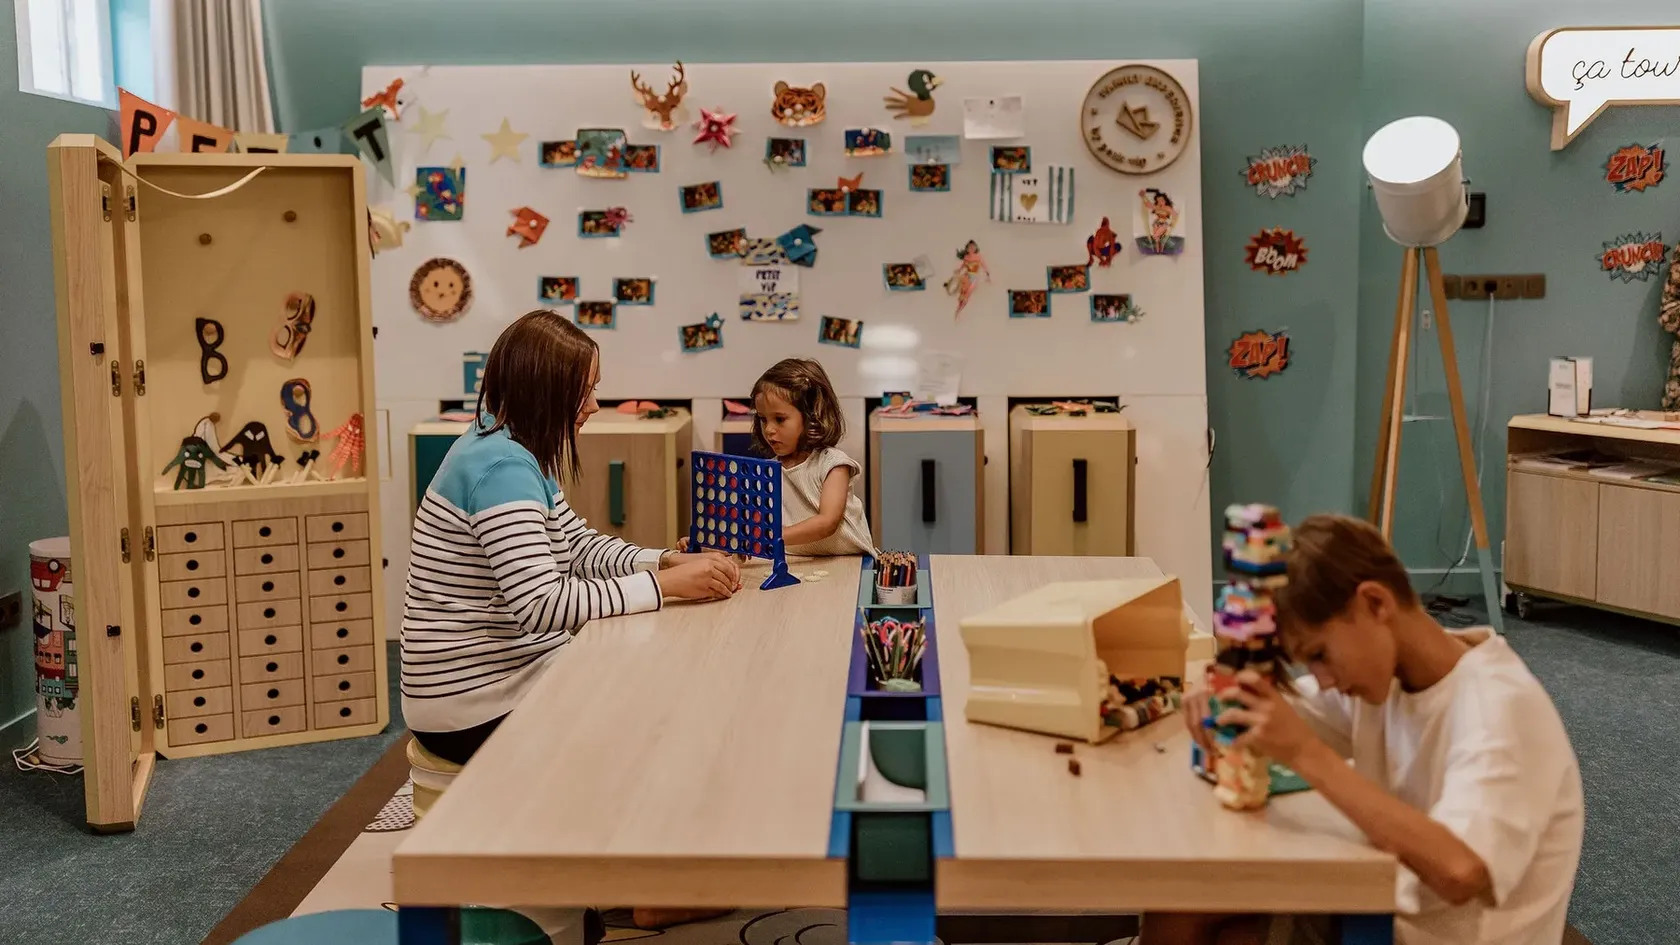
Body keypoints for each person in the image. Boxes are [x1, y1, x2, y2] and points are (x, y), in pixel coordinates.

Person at [1150, 514, 1583, 945]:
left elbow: (1460, 871)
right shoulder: (1386, 678)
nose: (1322, 680)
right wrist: (1223, 693)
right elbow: (1284, 714)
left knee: (1204, 921)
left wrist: (1305, 753)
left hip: (1416, 930)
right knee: (1180, 903)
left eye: (1320, 655)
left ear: (1376, 603)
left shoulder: (1499, 709)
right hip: (1376, 909)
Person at [401, 311, 739, 766]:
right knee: (658, 710)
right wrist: (665, 586)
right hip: (473, 703)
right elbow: (541, 605)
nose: (594, 405)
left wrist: (663, 561)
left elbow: (576, 545)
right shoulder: (500, 466)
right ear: (544, 389)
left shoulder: (509, 443)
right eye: (585, 390)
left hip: (500, 678)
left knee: (653, 673)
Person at [751, 358, 876, 556]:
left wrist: (773, 536)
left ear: (812, 416)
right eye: (763, 419)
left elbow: (827, 523)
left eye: (779, 419)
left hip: (850, 561)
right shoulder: (766, 472)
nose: (769, 429)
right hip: (798, 561)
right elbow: (753, 526)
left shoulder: (833, 464)